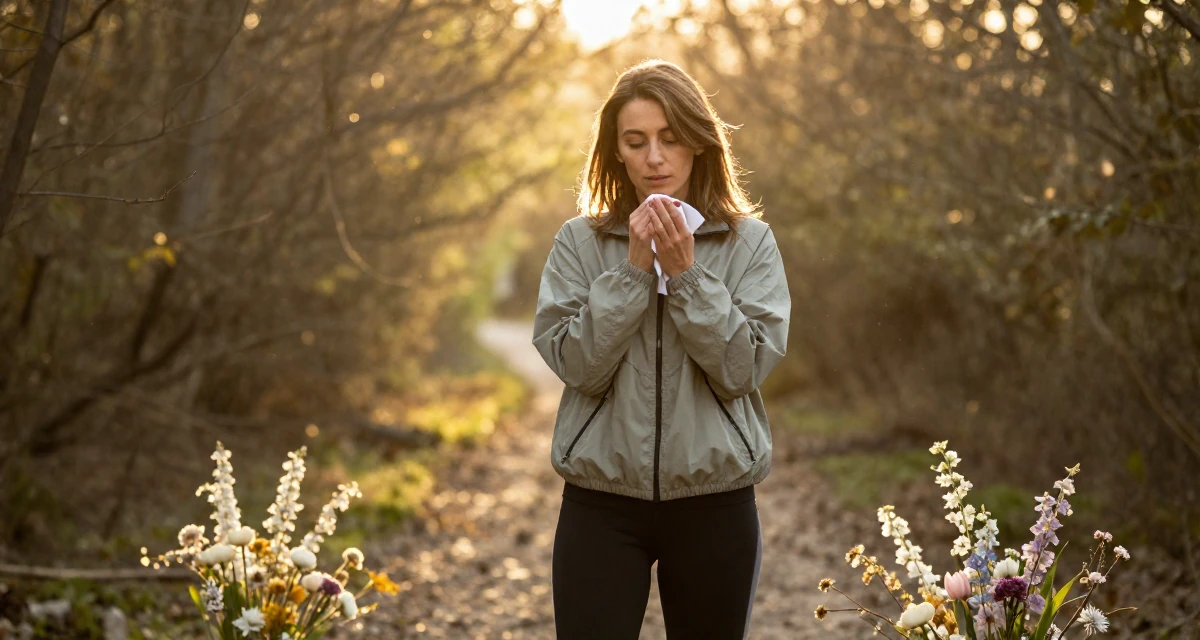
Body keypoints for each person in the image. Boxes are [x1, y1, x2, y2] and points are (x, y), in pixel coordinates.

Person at [531, 59, 791, 639]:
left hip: (715, 502)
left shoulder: (750, 242)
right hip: (600, 503)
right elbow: (578, 367)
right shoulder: (579, 241)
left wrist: (688, 277)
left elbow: (744, 369)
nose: (654, 157)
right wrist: (632, 274)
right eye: (636, 140)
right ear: (615, 151)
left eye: (670, 139)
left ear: (699, 143)